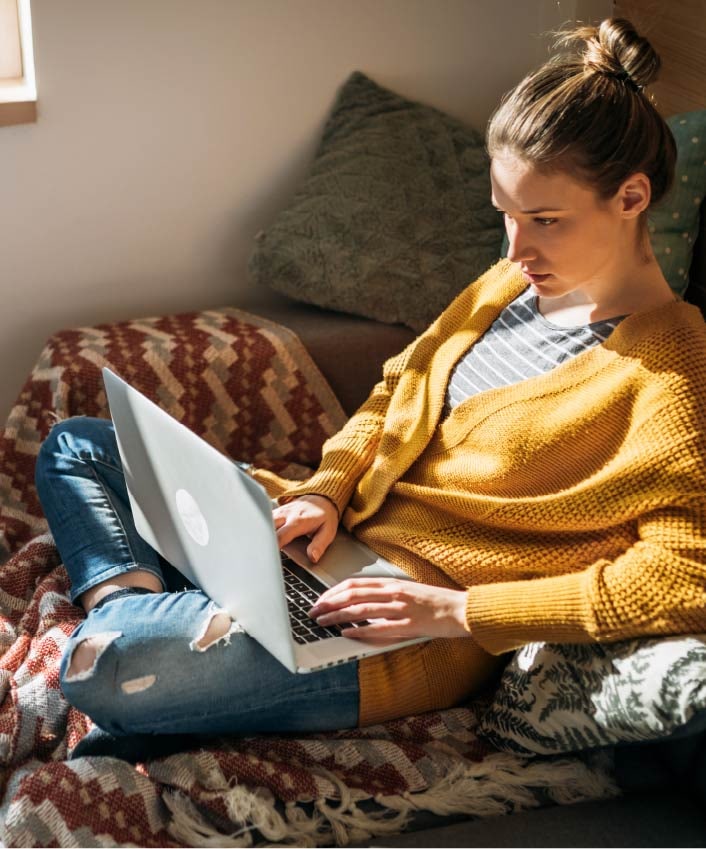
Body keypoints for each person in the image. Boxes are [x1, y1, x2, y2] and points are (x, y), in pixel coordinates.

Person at [34, 18, 706, 758]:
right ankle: (144, 608)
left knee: (108, 665)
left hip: (397, 630)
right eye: (506, 216)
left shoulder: (670, 368)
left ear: (632, 197)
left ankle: (140, 623)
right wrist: (325, 490)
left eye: (544, 220)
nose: (516, 249)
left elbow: (679, 578)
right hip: (329, 539)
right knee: (77, 444)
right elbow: (397, 391)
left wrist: (457, 610)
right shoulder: (504, 285)